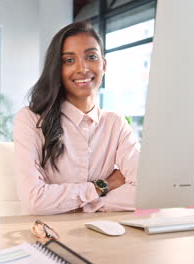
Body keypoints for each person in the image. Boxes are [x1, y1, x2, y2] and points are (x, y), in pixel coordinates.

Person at [13, 21, 139, 215]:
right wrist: (104, 185)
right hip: (47, 237)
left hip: (101, 236)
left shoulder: (116, 124)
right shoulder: (31, 119)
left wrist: (89, 205)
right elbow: (34, 201)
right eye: (69, 60)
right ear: (57, 68)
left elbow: (143, 190)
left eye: (91, 57)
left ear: (103, 65)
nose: (82, 68)